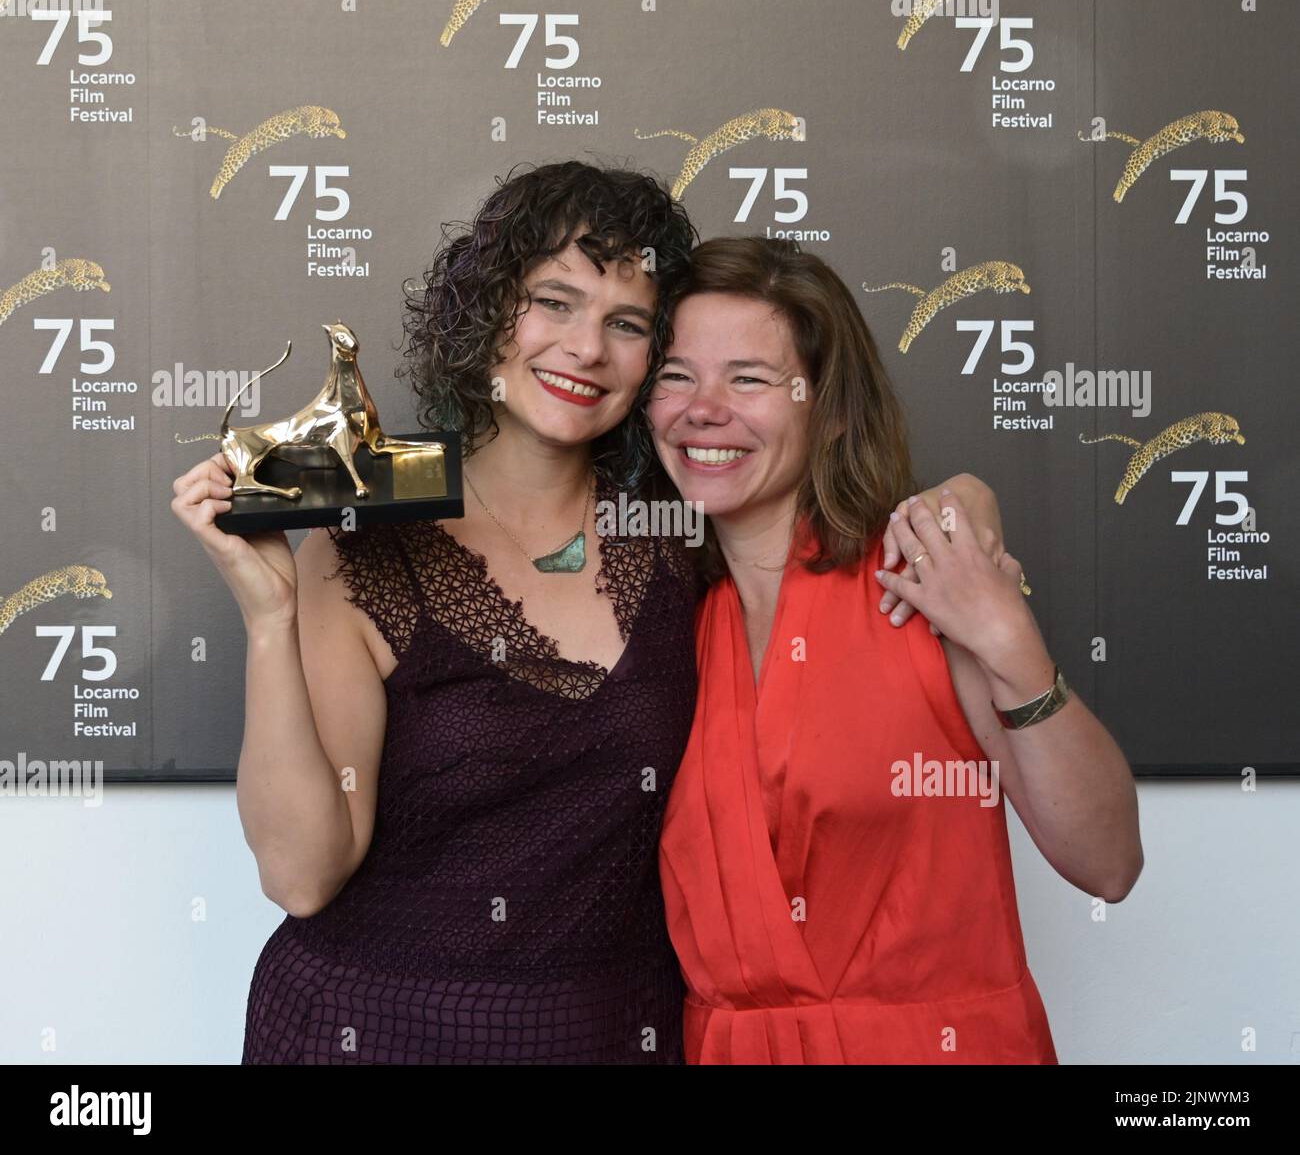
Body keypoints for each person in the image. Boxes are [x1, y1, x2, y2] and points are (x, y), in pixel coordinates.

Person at [169, 161, 1000, 1063]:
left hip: (616, 1033)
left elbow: (853, 516)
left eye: (627, 323)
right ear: (486, 314)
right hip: (372, 1031)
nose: (586, 348)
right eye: (553, 303)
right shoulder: (366, 548)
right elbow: (301, 875)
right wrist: (267, 620)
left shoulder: (687, 533)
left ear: (658, 361)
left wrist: (964, 503)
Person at [648, 236, 1143, 1065]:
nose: (704, 408)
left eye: (750, 378)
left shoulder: (916, 580)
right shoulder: (664, 620)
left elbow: (1109, 864)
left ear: (829, 407)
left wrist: (1006, 638)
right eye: (675, 375)